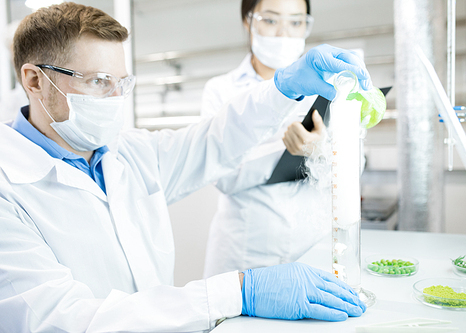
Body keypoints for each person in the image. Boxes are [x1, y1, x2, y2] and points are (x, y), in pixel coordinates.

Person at [0, 3, 372, 332]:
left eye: (122, 83)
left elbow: (216, 139)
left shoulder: (129, 153)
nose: (115, 99)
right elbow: (62, 320)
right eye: (98, 82)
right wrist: (237, 292)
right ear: (34, 80)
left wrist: (283, 88)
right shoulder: (8, 189)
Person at [202, 0, 367, 278]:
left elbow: (356, 166)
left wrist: (323, 150)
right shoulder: (221, 90)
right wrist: (284, 147)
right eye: (270, 20)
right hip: (245, 256)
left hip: (314, 252)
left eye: (296, 22)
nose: (283, 34)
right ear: (248, 20)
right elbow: (222, 175)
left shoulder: (331, 86)